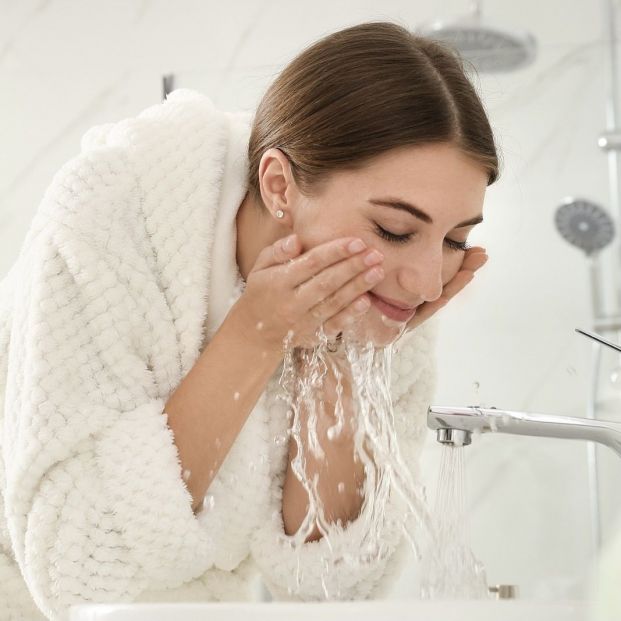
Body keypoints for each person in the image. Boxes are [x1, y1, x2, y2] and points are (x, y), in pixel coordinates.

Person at [0, 20, 496, 621]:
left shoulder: (383, 289)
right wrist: (257, 332)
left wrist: (337, 355)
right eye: (395, 229)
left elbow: (337, 592)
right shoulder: (113, 211)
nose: (426, 280)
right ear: (279, 183)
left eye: (455, 238)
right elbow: (81, 570)